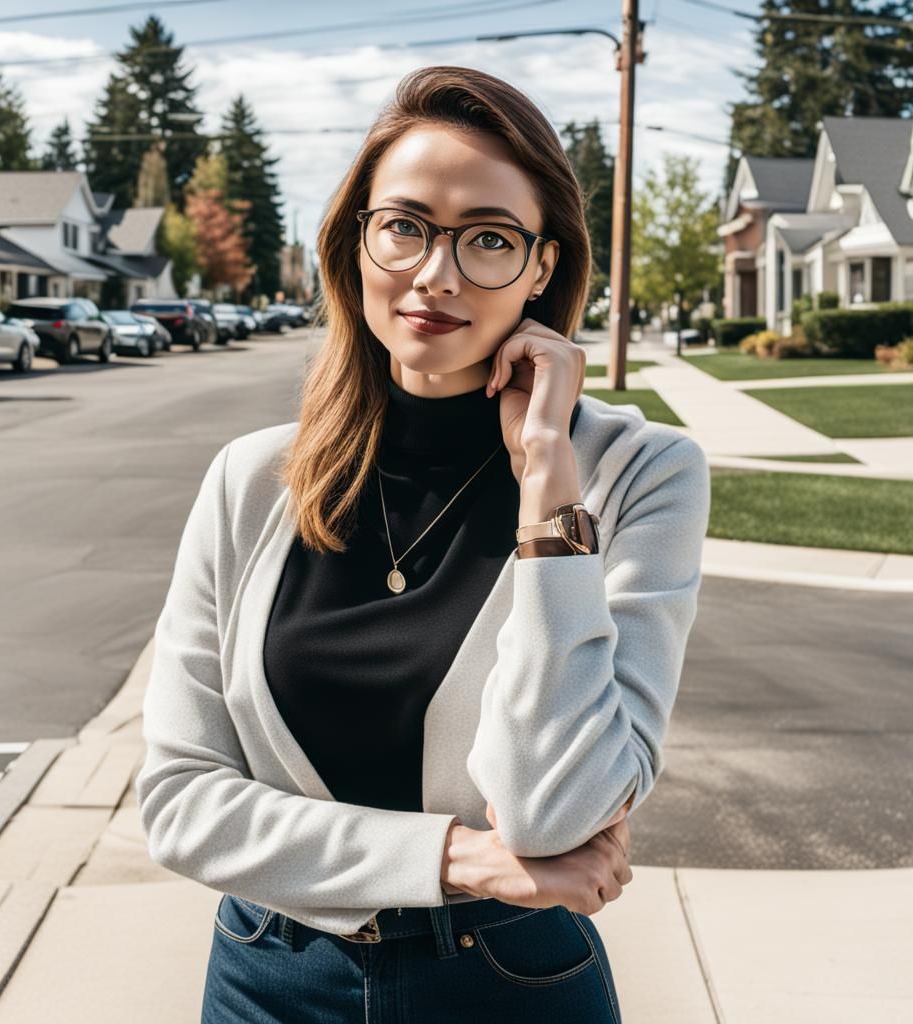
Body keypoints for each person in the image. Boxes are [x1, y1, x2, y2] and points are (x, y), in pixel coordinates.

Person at [136, 65, 710, 1023]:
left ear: (542, 267)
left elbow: (553, 811)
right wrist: (451, 856)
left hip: (509, 981)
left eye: (489, 239)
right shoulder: (251, 479)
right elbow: (181, 803)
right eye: (404, 225)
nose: (435, 275)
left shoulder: (639, 474)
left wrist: (547, 495)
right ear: (355, 240)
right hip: (266, 977)